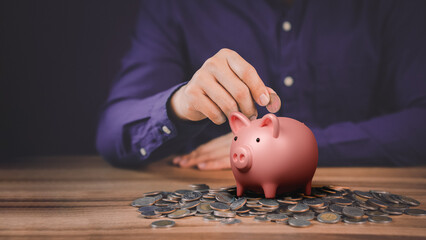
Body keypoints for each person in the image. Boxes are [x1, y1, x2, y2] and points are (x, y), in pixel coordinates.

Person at [96, 0, 426, 170]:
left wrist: (303, 148)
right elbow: (113, 133)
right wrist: (180, 104)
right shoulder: (178, 6)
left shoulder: (389, 6)